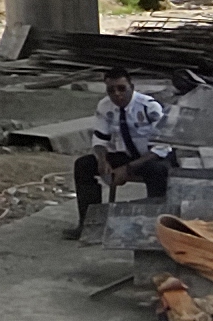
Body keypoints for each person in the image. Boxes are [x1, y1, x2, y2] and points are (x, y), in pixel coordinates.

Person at [69, 70, 174, 238]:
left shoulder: (150, 107)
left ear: (131, 87)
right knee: (84, 165)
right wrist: (102, 160)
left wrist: (128, 168)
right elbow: (100, 138)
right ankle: (90, 224)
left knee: (158, 171)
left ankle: (155, 227)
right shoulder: (105, 107)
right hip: (126, 154)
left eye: (121, 88)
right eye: (111, 90)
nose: (116, 94)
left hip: (152, 157)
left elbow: (164, 146)